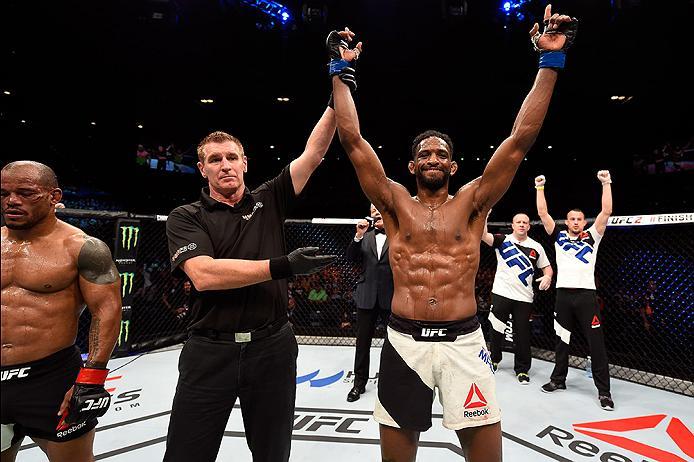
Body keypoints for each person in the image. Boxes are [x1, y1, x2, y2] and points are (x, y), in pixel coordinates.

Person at [329, 6, 577, 461]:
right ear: (410, 165)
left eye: (441, 153)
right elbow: (352, 141)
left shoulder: (473, 202)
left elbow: (520, 139)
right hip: (404, 342)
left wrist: (550, 62)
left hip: (465, 343)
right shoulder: (394, 202)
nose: (432, 158)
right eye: (424, 153)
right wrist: (341, 70)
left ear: (454, 165)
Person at [163, 92, 341, 459]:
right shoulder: (186, 217)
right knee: (186, 453)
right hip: (209, 350)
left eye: (231, 157)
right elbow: (204, 274)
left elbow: (314, 153)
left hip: (271, 346)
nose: (224, 165)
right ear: (202, 169)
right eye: (215, 159)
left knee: (272, 453)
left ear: (245, 163)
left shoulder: (269, 198)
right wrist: (282, 265)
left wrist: (337, 90)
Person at [1, 161, 121, 462]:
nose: (12, 201)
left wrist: (92, 377)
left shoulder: (83, 247)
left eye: (25, 193)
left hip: (51, 379)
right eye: (4, 193)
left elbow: (107, 310)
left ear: (54, 197)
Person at [535, 170, 615, 410]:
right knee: (562, 340)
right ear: (567, 222)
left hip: (586, 296)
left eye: (580, 219)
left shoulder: (593, 236)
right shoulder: (559, 237)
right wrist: (540, 188)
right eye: (572, 219)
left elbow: (607, 212)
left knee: (596, 343)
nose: (576, 222)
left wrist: (606, 183)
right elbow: (542, 213)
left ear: (584, 222)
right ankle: (558, 380)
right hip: (563, 296)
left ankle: (604, 392)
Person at [481, 212, 553, 384]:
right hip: (501, 293)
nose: (521, 224)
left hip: (524, 297)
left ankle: (522, 370)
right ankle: (494, 360)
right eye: (518, 222)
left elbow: (547, 268)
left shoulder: (536, 247)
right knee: (496, 329)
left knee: (522, 334)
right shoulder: (502, 240)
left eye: (525, 222)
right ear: (513, 225)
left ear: (529, 226)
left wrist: (548, 277)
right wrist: (484, 217)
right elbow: (483, 235)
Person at [345, 204, 393, 402]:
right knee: (362, 342)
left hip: (390, 296)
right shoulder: (364, 235)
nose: (376, 211)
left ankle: (391, 383)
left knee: (394, 343)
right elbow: (351, 258)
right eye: (373, 208)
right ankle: (359, 384)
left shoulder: (398, 234)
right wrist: (358, 236)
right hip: (366, 296)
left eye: (379, 207)